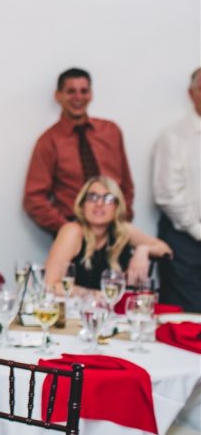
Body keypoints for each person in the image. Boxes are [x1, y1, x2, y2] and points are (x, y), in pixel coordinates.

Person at [24, 68, 135, 234]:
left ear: (91, 94)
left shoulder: (111, 131)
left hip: (115, 227)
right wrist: (68, 229)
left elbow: (126, 184)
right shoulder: (49, 141)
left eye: (84, 91)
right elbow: (34, 199)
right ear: (58, 96)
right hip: (74, 227)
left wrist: (122, 218)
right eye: (71, 92)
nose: (78, 97)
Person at [44, 176, 170, 294]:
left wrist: (143, 250)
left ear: (117, 207)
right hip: (75, 308)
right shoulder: (72, 231)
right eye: (92, 197)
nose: (99, 204)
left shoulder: (123, 230)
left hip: (112, 309)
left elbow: (165, 250)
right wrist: (94, 296)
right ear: (82, 204)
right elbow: (50, 284)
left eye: (108, 199)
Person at [152, 69, 201, 311]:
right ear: (191, 94)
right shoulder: (174, 137)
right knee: (188, 315)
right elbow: (168, 194)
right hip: (185, 241)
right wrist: (198, 230)